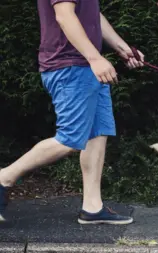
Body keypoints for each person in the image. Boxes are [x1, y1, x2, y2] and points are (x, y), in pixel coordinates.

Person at [0, 0, 145, 224]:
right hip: (70, 66)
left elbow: (93, 15)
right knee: (69, 139)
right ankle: (4, 177)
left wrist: (121, 47)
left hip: (86, 67)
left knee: (97, 133)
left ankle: (92, 208)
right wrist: (95, 58)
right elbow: (64, 16)